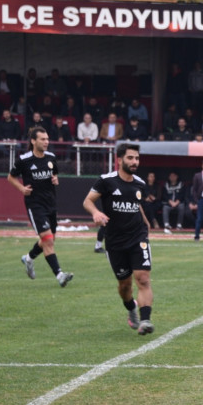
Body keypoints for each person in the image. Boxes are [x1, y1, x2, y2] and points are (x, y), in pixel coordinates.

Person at [83, 143, 155, 335]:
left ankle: (145, 320)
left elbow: (137, 204)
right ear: (120, 159)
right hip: (115, 241)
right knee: (125, 286)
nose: (134, 162)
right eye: (130, 158)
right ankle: (131, 309)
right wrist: (96, 213)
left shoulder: (140, 183)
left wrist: (146, 221)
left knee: (143, 278)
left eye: (137, 158)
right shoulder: (106, 181)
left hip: (138, 237)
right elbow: (87, 201)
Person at [10, 126, 73, 286]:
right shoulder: (24, 160)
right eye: (42, 139)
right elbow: (10, 177)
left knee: (48, 240)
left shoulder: (51, 157)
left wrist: (55, 179)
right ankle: (60, 275)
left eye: (47, 139)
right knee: (48, 240)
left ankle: (29, 258)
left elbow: (55, 174)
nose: (46, 142)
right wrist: (22, 189)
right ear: (33, 141)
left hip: (50, 203)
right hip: (35, 205)